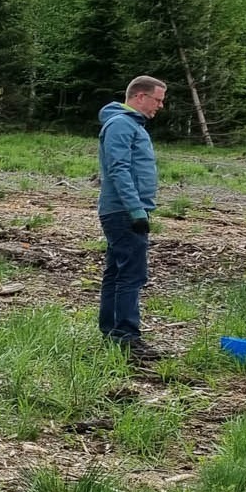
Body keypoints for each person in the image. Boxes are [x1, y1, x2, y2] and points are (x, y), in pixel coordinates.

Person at [98, 76, 165, 355]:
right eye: (157, 100)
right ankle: (126, 336)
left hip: (124, 209)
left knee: (117, 271)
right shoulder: (122, 125)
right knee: (131, 274)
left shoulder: (129, 125)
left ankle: (113, 332)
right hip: (124, 211)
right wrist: (136, 210)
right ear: (139, 97)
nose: (160, 106)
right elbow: (119, 168)